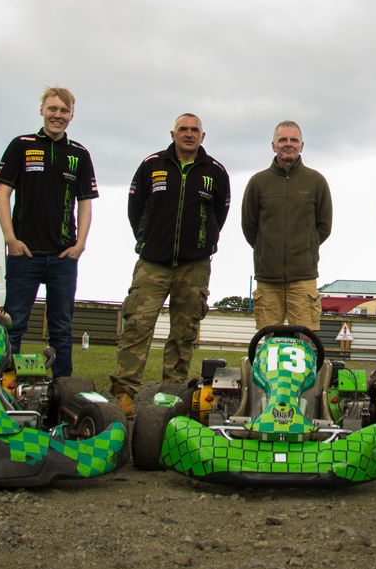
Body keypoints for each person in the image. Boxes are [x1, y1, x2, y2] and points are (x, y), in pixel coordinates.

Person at [110, 113, 230, 417]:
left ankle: (171, 396)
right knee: (137, 326)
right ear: (173, 133)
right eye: (183, 130)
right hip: (153, 263)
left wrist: (204, 244)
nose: (188, 134)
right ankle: (124, 395)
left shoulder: (215, 171)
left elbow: (220, 211)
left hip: (194, 266)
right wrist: (148, 240)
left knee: (184, 333)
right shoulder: (152, 165)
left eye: (194, 130)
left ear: (203, 136)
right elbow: (135, 209)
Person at [0, 86, 97, 379]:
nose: (57, 116)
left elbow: (86, 203)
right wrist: (10, 239)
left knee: (61, 328)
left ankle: (61, 391)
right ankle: (2, 384)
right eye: (53, 109)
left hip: (63, 258)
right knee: (14, 324)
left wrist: (80, 245)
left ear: (71, 116)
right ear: (42, 110)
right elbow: (2, 196)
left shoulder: (79, 154)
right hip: (24, 255)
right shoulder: (21, 145)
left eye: (64, 111)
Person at [241, 121, 333, 330]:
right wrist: (266, 250)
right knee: (267, 343)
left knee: (306, 341)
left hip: (304, 279)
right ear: (273, 145)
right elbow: (249, 227)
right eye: (283, 139)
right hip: (267, 279)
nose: (288, 144)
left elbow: (324, 226)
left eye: (294, 140)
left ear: (302, 145)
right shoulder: (258, 182)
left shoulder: (316, 182)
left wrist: (306, 249)